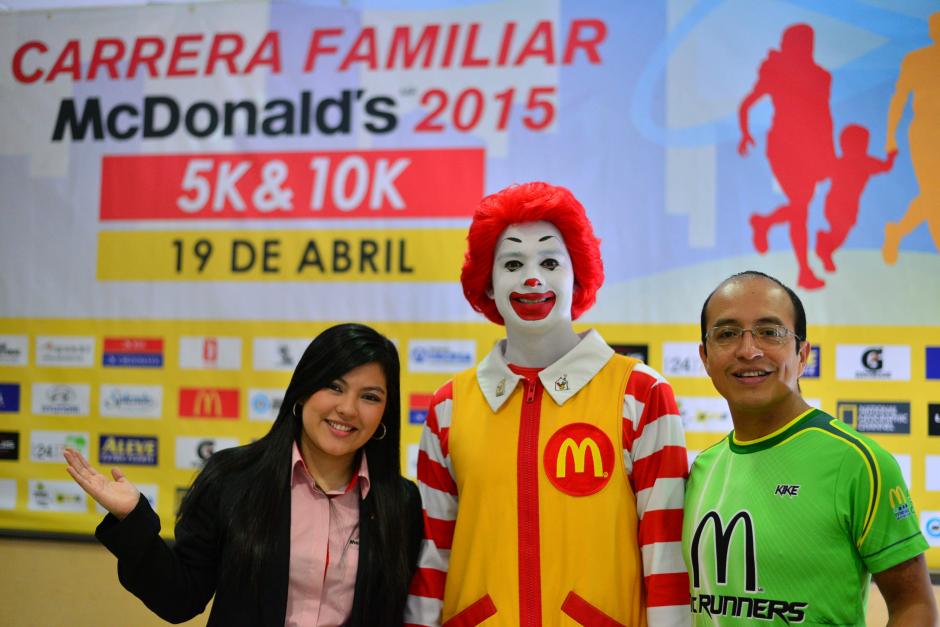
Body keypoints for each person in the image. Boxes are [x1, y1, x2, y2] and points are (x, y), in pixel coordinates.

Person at [405, 182, 690, 627]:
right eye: (513, 263)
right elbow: (430, 559)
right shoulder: (449, 406)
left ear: (577, 275)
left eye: (550, 261)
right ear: (489, 282)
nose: (532, 278)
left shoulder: (641, 394)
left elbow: (667, 556)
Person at [64, 323, 422, 627]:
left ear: (384, 414)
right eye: (334, 386)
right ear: (303, 390)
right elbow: (179, 599)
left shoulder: (400, 502)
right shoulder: (233, 479)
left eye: (370, 397)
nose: (347, 409)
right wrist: (132, 519)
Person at [684, 271, 936, 624]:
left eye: (769, 332)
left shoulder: (858, 463)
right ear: (705, 357)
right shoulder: (702, 469)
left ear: (803, 353)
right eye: (727, 334)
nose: (748, 350)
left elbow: (914, 606)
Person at [738, 24, 835, 290]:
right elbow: (748, 103)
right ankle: (804, 270)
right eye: (797, 43)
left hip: (811, 149)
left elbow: (824, 117)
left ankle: (764, 222)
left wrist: (828, 155)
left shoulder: (821, 76)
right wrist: (745, 134)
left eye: (806, 43)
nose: (803, 48)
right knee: (801, 207)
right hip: (783, 146)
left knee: (800, 206)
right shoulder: (776, 72)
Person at [883, 11, 940, 265]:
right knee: (933, 192)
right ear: (931, 31)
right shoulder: (917, 59)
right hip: (926, 133)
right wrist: (890, 136)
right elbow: (899, 98)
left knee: (933, 194)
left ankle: (897, 231)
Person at [816, 124, 897, 272]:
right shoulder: (851, 162)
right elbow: (885, 166)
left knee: (842, 232)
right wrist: (891, 157)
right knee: (840, 231)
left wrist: (891, 157)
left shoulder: (864, 162)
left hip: (848, 205)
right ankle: (825, 248)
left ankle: (825, 244)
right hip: (835, 203)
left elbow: (884, 167)